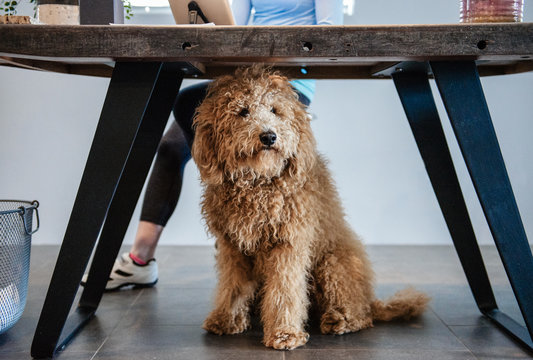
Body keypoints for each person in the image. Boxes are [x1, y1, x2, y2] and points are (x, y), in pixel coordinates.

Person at [84, 0, 344, 290]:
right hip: (246, 74)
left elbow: (329, 33)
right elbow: (234, 29)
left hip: (290, 80)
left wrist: (271, 52)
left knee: (186, 104)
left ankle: (240, 219)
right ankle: (141, 259)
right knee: (171, 145)